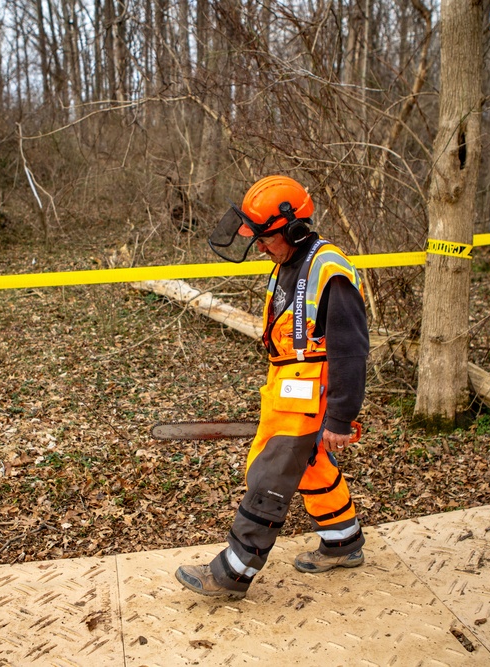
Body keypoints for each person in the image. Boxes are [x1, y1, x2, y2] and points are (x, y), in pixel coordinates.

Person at [175, 175, 369, 598]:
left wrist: (340, 415)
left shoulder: (328, 270)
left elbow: (351, 350)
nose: (260, 245)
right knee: (312, 466)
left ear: (295, 229)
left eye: (266, 237)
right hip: (288, 386)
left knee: (270, 476)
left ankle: (232, 573)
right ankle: (343, 541)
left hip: (312, 392)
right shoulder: (290, 262)